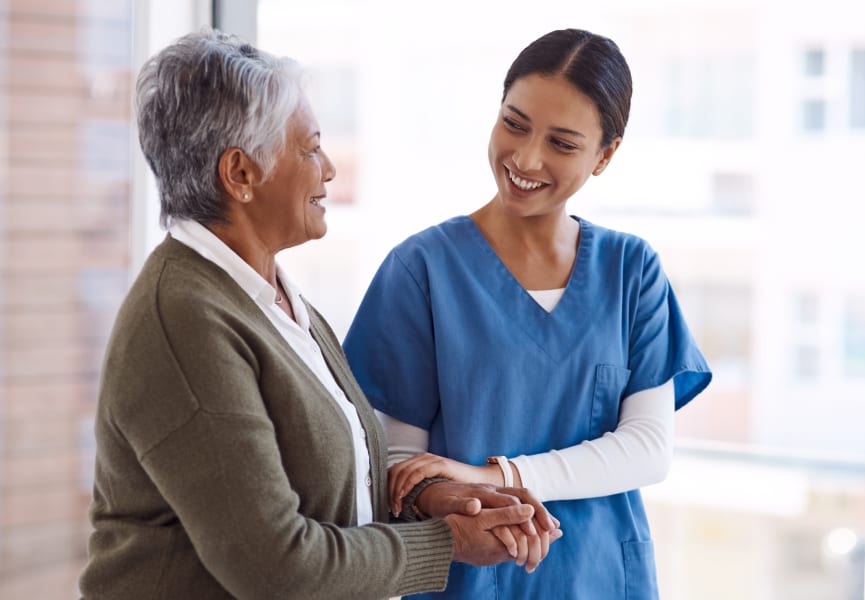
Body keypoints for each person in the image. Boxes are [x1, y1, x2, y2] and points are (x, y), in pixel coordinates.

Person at [78, 29, 561, 600]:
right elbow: (276, 567)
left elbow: (318, 482)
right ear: (240, 175)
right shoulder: (185, 319)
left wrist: (428, 497)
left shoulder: (270, 297)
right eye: (309, 149)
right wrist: (445, 541)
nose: (329, 169)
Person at [343, 28, 713, 599]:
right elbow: (401, 465)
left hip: (602, 578)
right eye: (514, 124)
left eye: (563, 143)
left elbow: (647, 448)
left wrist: (500, 475)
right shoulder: (421, 271)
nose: (526, 158)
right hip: (468, 578)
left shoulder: (631, 271)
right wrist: (456, 494)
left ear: (605, 155)